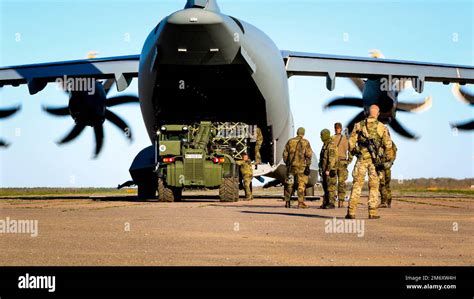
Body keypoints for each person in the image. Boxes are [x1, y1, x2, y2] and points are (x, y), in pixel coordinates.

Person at [346, 104, 393, 219]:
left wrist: (356, 151)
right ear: (377, 113)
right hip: (375, 162)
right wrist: (387, 160)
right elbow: (388, 145)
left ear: (368, 113)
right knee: (374, 187)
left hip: (361, 159)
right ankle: (372, 212)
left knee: (357, 185)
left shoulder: (359, 125)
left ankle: (351, 212)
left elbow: (351, 142)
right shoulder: (382, 127)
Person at [283, 127, 313, 209]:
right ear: (303, 133)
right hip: (302, 167)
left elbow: (285, 154)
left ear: (297, 132)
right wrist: (308, 165)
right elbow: (309, 155)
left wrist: (287, 163)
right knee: (301, 184)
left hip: (291, 167)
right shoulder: (306, 142)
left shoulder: (290, 141)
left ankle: (287, 202)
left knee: (289, 184)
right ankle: (300, 202)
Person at [332, 122, 352, 208]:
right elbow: (351, 151)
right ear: (340, 128)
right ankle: (341, 202)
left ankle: (332, 201)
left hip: (333, 163)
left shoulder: (331, 139)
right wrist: (349, 161)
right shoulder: (345, 139)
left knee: (332, 183)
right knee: (342, 183)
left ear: (335, 128)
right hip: (343, 162)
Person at [319, 129, 337, 209]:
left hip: (329, 170)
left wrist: (328, 170)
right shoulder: (325, 145)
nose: (321, 137)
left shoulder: (331, 145)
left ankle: (331, 203)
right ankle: (326, 202)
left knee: (331, 187)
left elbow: (332, 159)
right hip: (324, 169)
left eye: (322, 135)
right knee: (325, 186)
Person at [379, 141, 397, 208]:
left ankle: (384, 202)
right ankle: (389, 202)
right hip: (388, 166)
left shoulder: (379, 141)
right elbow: (395, 152)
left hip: (382, 166)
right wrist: (391, 162)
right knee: (387, 185)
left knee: (382, 184)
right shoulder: (391, 142)